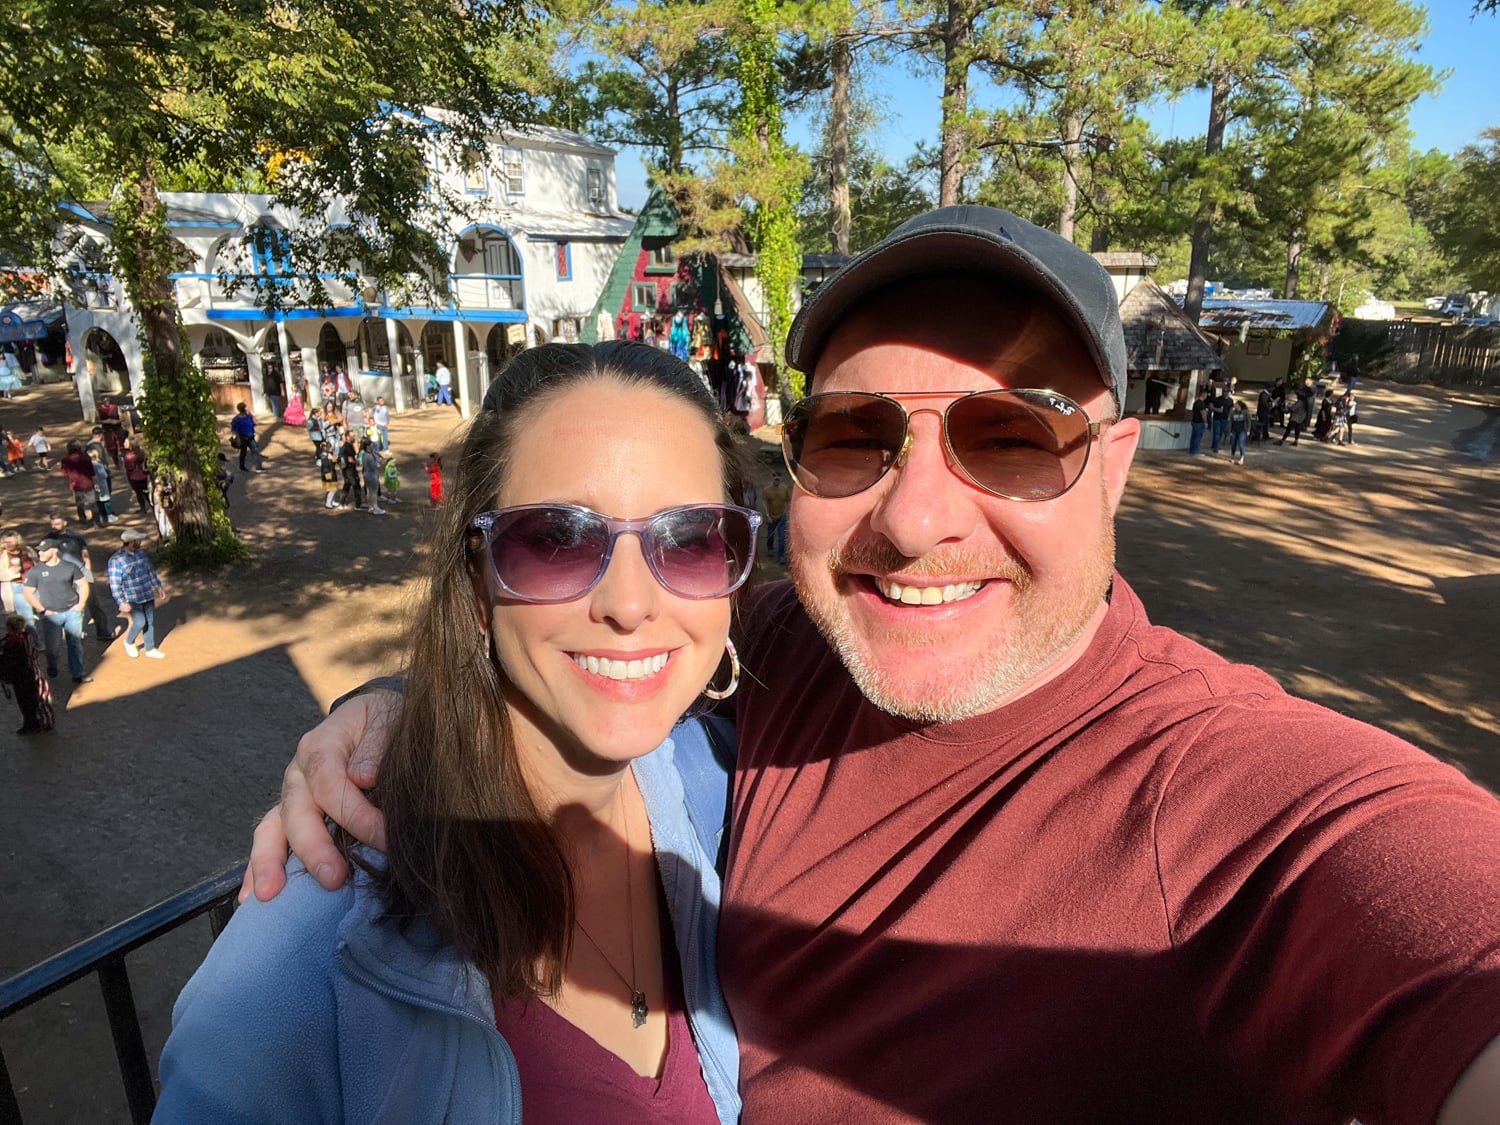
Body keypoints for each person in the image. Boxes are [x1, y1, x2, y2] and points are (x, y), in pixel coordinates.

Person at [256, 206, 1500, 1123]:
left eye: (1011, 438)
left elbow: (1429, 913)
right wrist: (399, 707)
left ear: (1116, 463)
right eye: (854, 437)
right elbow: (598, 627)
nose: (913, 523)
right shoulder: (802, 640)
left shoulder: (1229, 793)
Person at [156, 342, 750, 1123]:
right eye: (556, 539)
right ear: (476, 579)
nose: (630, 604)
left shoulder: (717, 787)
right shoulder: (301, 969)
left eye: (690, 539)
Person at [24, 538, 91, 684]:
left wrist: (80, 605)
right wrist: (42, 610)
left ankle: (78, 673)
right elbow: (28, 593)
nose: (40, 553)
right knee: (52, 648)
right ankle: (52, 664)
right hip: (51, 615)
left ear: (54, 550)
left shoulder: (70, 567)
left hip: (72, 611)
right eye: (39, 550)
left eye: (43, 550)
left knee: (75, 643)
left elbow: (83, 585)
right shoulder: (36, 571)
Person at [46, 514, 112, 642]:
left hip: (81, 572)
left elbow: (85, 553)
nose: (54, 526)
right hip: (63, 576)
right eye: (53, 524)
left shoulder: (75, 536)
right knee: (70, 604)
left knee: (93, 603)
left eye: (57, 523)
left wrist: (88, 570)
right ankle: (75, 633)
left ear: (65, 522)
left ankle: (103, 632)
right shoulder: (49, 539)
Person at [107, 528, 166, 659]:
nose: (140, 543)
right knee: (140, 622)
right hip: (132, 598)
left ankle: (150, 648)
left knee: (149, 622)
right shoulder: (116, 560)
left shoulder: (141, 554)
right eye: (137, 540)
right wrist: (121, 602)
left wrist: (158, 587)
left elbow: (150, 570)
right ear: (130, 542)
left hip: (147, 593)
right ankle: (129, 642)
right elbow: (115, 584)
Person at [58, 441, 101, 527]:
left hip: (76, 484)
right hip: (88, 483)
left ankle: (83, 520)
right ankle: (97, 522)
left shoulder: (66, 460)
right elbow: (92, 472)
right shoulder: (86, 458)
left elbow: (64, 473)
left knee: (80, 504)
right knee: (93, 503)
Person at [0, 531, 37, 629]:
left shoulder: (27, 551)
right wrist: (11, 573)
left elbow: (37, 564)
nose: (7, 545)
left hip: (33, 585)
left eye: (10, 542)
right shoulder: (2, 555)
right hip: (15, 587)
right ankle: (32, 640)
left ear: (17, 542)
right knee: (26, 617)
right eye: (5, 542)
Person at [761, 471, 790, 565]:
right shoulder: (767, 490)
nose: (777, 480)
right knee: (771, 534)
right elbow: (764, 502)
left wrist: (785, 511)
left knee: (781, 537)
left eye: (778, 478)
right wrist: (767, 515)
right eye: (775, 478)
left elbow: (788, 501)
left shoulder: (784, 489)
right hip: (771, 516)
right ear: (772, 478)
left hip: (782, 516)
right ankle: (770, 549)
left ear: (781, 479)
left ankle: (781, 556)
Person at [230, 402, 266, 473]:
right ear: (243, 409)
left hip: (250, 437)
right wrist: (238, 439)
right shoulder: (237, 419)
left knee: (255, 451)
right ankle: (242, 466)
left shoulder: (248, 417)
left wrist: (251, 414)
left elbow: (256, 423)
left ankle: (258, 467)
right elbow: (235, 431)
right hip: (243, 438)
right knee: (244, 452)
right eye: (246, 407)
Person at [122, 439, 152, 512]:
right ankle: (151, 505)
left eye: (126, 442)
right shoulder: (142, 453)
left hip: (134, 476)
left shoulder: (129, 456)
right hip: (144, 475)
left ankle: (143, 508)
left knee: (139, 493)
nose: (124, 443)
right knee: (146, 492)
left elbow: (129, 467)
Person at [337, 431, 364, 511]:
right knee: (356, 486)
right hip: (350, 470)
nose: (354, 437)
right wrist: (357, 462)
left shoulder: (346, 446)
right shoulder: (347, 447)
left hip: (346, 470)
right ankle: (358, 505)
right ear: (347, 437)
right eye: (352, 436)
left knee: (347, 485)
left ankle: (341, 503)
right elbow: (349, 459)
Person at [358, 438, 386, 515]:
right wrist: (380, 463)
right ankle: (376, 508)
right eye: (371, 444)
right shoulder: (369, 456)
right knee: (373, 493)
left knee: (369, 492)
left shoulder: (366, 454)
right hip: (372, 475)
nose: (372, 445)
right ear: (367, 446)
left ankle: (370, 507)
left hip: (366, 475)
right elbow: (374, 465)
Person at [97, 396, 126, 465]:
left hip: (117, 428)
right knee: (112, 447)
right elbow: (97, 420)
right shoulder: (99, 410)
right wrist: (106, 421)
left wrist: (117, 421)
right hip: (108, 430)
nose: (107, 403)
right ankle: (116, 461)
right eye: (105, 402)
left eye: (108, 401)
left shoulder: (116, 408)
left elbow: (122, 418)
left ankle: (124, 459)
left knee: (121, 444)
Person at [1188, 387, 1208, 454]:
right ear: (1203, 394)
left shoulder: (1196, 402)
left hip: (1194, 421)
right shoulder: (1201, 404)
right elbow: (1203, 414)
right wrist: (1205, 422)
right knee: (1198, 438)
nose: (1206, 396)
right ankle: (1195, 451)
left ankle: (1192, 450)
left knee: (1193, 437)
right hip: (1199, 422)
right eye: (1206, 394)